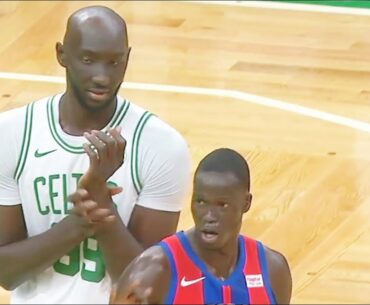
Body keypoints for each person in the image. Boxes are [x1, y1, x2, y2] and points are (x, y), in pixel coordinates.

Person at [0, 5, 191, 304]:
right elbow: (6, 273)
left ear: (128, 59)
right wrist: (77, 223)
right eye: (88, 60)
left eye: (114, 62)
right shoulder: (12, 134)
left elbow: (148, 290)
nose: (102, 77)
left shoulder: (162, 146)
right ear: (62, 54)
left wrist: (105, 216)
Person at [110, 148, 292, 305]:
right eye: (201, 202)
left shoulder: (273, 270)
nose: (209, 216)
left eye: (222, 205)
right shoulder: (153, 272)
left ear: (246, 203)